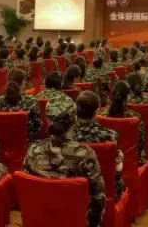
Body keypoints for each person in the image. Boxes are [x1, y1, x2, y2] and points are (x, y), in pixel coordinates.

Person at [23, 95, 105, 227]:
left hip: (40, 221)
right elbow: (98, 199)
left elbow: (27, 194)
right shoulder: (85, 154)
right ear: (75, 119)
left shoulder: (33, 150)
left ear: (47, 119)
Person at [73, 91, 125, 199]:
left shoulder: (68, 134)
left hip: (74, 193)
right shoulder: (110, 135)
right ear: (97, 110)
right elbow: (118, 168)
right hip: (105, 193)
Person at [99, 81, 147, 165]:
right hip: (131, 162)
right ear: (127, 97)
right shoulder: (135, 117)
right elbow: (140, 143)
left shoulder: (101, 115)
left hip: (108, 162)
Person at [0, 68, 41, 142]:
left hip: (3, 140)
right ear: (23, 82)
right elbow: (37, 126)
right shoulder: (31, 100)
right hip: (26, 141)